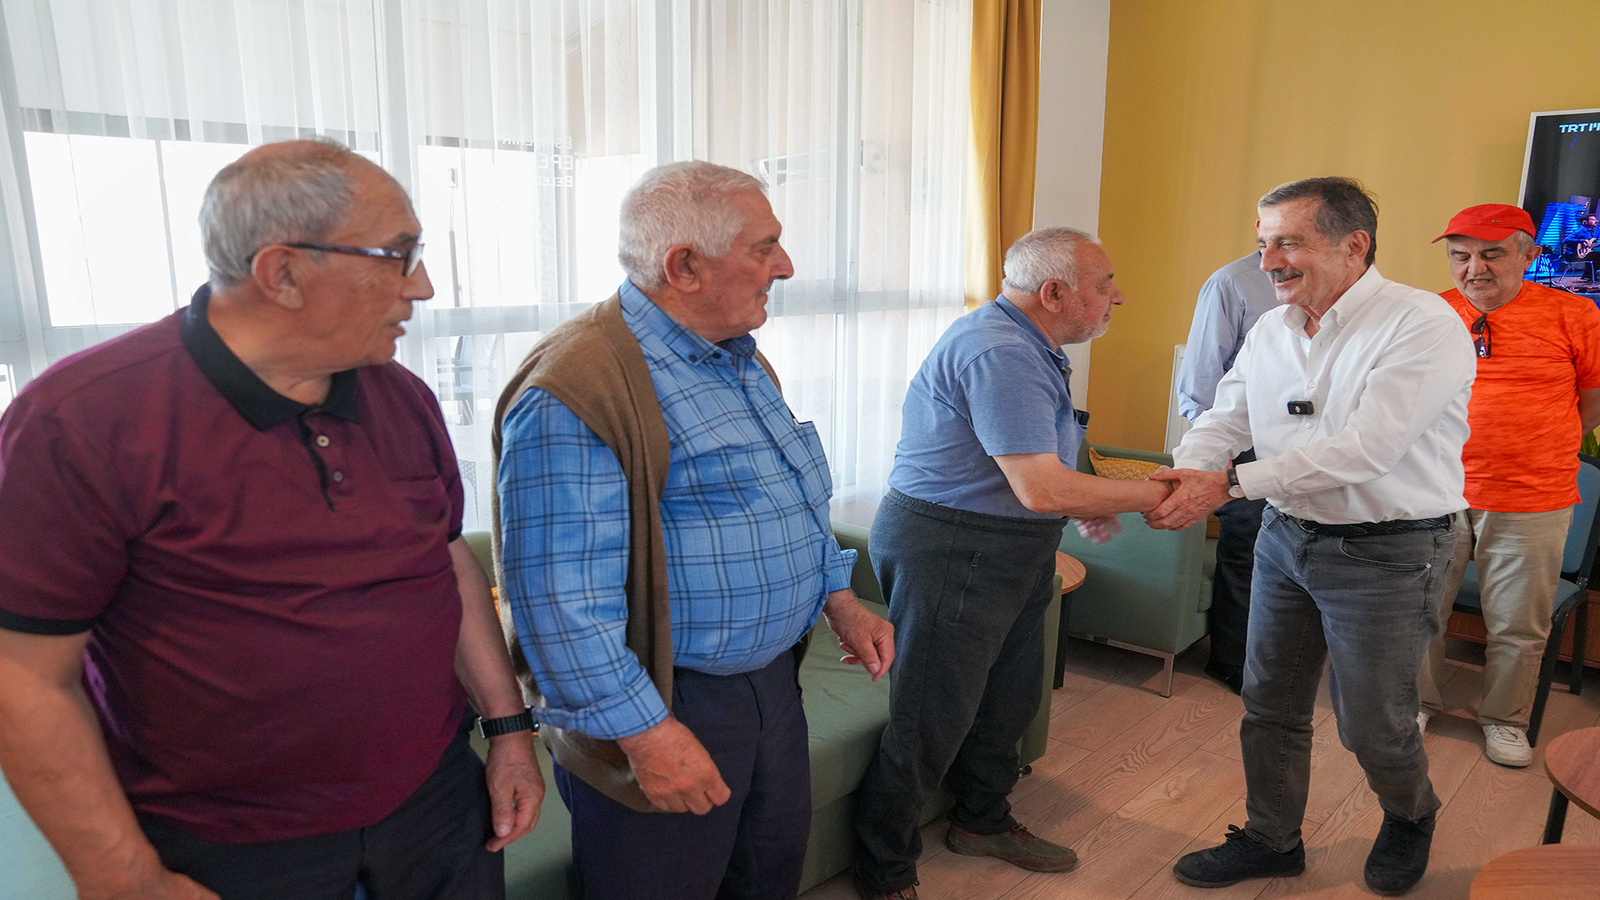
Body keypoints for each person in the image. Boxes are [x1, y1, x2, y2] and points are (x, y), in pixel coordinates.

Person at [0, 139, 542, 900]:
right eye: (398, 255)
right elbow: (24, 676)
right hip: (228, 841)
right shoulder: (81, 419)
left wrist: (509, 732)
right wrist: (122, 876)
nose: (420, 286)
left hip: (434, 807)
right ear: (282, 272)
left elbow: (447, 563)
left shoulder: (400, 395)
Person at [494, 160, 895, 900]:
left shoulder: (740, 359)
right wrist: (647, 735)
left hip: (772, 684)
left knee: (765, 876)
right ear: (683, 266)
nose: (785, 266)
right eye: (764, 248)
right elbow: (559, 603)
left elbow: (788, 499)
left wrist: (839, 598)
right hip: (664, 700)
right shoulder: (577, 387)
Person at [1149, 177, 1475, 896]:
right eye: (1264, 243)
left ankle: (1411, 813)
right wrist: (1191, 472)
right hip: (1285, 537)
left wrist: (1227, 486)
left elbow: (1366, 450)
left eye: (1288, 243)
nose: (1268, 261)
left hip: (1389, 552)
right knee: (1269, 701)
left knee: (1372, 721)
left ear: (1354, 244)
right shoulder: (1272, 329)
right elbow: (1224, 416)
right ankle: (1272, 838)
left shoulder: (1421, 324)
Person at [851, 227, 1172, 900]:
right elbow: (1041, 487)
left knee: (1010, 698)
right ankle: (884, 867)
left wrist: (1081, 502)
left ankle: (981, 820)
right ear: (1054, 293)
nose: (1118, 296)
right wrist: (1159, 494)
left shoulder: (1032, 345)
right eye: (1105, 284)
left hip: (1011, 543)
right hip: (956, 547)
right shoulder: (1000, 351)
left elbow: (1038, 468)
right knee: (932, 713)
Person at [1417, 203, 1600, 766]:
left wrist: (1535, 442)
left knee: (1519, 625)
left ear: (1528, 255)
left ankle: (1504, 720)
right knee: (1418, 611)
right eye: (1461, 256)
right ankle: (1413, 703)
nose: (1475, 269)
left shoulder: (1574, 314)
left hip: (1533, 496)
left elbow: (1592, 401)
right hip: (1433, 491)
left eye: (1492, 254)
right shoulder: (1429, 315)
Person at [1174, 251, 1279, 694]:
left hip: (1302, 444)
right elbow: (1201, 380)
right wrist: (1216, 459)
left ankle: (1276, 656)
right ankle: (1232, 661)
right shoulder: (1232, 282)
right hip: (1243, 441)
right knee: (1246, 551)